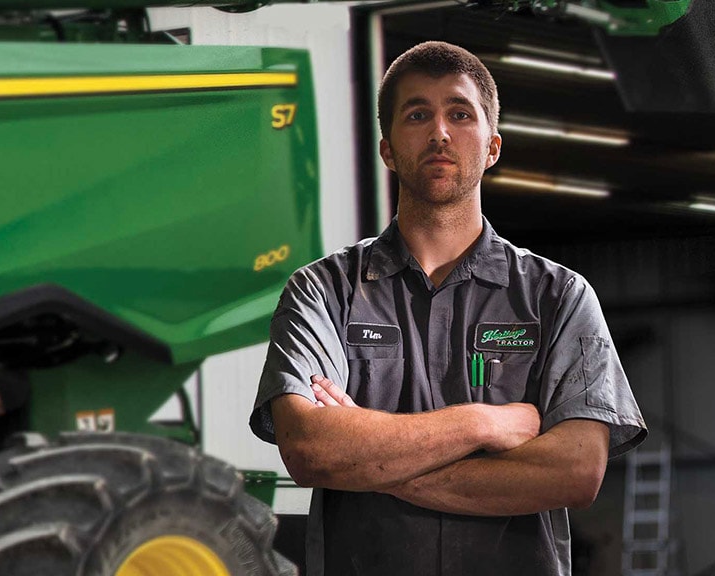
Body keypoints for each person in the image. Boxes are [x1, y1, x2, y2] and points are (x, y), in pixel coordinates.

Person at [249, 41, 647, 576]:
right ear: (388, 149)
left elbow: (576, 471)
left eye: (460, 114)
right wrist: (484, 423)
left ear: (492, 146)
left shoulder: (558, 296)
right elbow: (311, 452)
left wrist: (371, 462)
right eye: (418, 114)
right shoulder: (323, 291)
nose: (439, 132)